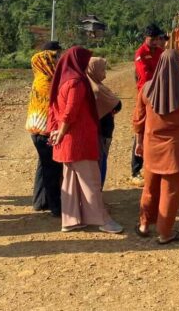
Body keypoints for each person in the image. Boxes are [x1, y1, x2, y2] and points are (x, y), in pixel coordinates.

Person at [49, 47, 123, 234]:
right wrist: (62, 131)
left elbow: (56, 109)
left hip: (67, 141)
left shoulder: (62, 81)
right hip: (79, 140)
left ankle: (70, 220)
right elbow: (71, 112)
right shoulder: (77, 83)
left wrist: (56, 132)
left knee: (70, 181)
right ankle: (103, 220)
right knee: (91, 181)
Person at [132, 50, 179, 243]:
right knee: (170, 191)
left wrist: (139, 143)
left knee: (150, 187)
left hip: (151, 146)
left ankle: (144, 225)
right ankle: (165, 233)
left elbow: (138, 120)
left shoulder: (146, 89)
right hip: (175, 150)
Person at [26, 42, 63, 217]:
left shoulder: (40, 76)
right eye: (55, 57)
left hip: (36, 129)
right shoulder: (47, 81)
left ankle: (40, 202)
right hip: (44, 130)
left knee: (43, 166)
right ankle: (56, 207)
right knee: (52, 170)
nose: (58, 60)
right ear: (47, 59)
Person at [131, 24, 167, 186]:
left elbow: (165, 72)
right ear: (145, 38)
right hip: (145, 96)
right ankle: (136, 170)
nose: (154, 42)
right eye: (151, 39)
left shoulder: (160, 53)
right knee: (141, 129)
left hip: (159, 95)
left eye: (156, 39)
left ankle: (154, 165)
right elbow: (145, 76)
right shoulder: (140, 53)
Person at [87, 57, 122, 188]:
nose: (105, 74)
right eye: (102, 70)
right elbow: (117, 105)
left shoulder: (87, 84)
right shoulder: (97, 90)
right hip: (101, 132)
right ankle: (97, 191)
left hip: (93, 132)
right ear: (94, 70)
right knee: (100, 162)